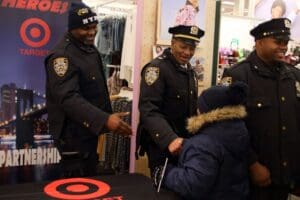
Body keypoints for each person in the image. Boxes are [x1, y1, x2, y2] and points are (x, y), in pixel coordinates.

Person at [44, 2, 132, 177]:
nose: (91, 32)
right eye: (85, 28)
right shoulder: (62, 55)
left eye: (94, 27)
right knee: (77, 185)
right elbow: (68, 98)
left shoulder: (87, 48)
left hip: (87, 130)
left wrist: (105, 118)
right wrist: (104, 119)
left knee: (89, 177)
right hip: (73, 135)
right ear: (72, 28)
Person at [222, 18, 300, 200]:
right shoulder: (238, 75)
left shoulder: (294, 76)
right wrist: (253, 164)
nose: (283, 47)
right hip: (251, 178)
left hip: (286, 177)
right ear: (259, 42)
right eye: (278, 42)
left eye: (285, 43)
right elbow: (227, 126)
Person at [154, 82, 250, 200]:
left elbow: (192, 185)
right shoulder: (239, 131)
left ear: (207, 111)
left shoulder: (203, 144)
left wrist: (166, 173)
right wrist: (189, 148)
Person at [137, 25, 205, 175]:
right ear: (173, 42)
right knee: (163, 191)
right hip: (162, 143)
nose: (187, 52)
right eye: (183, 47)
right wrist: (169, 139)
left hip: (183, 143)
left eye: (192, 49)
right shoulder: (156, 69)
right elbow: (148, 109)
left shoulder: (190, 71)